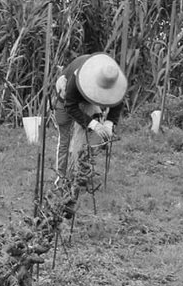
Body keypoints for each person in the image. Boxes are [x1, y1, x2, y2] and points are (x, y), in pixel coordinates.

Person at [51, 53, 128, 195]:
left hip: (87, 100)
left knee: (88, 139)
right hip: (66, 98)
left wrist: (109, 123)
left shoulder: (112, 76)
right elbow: (70, 106)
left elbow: (118, 101)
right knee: (65, 140)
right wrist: (93, 124)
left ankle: (80, 174)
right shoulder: (77, 77)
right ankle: (61, 177)